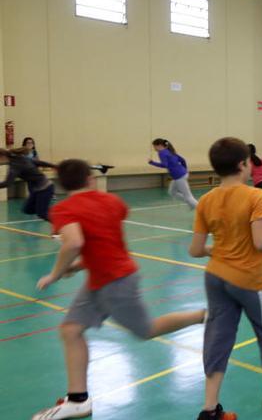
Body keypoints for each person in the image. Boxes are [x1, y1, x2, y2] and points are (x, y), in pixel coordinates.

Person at [31, 159, 206, 420]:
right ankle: (78, 399)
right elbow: (103, 242)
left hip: (115, 282)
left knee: (147, 330)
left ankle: (205, 315)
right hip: (102, 278)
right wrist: (78, 267)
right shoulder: (112, 202)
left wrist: (56, 273)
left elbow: (74, 242)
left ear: (63, 184)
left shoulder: (64, 209)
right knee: (70, 330)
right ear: (90, 179)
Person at [189, 137, 262, 420]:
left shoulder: (206, 200)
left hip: (215, 277)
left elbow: (196, 249)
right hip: (250, 279)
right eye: (249, 162)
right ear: (242, 165)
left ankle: (209, 409)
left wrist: (220, 249)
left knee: (218, 337)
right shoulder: (256, 196)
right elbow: (261, 242)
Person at [0, 148, 57, 221]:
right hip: (36, 189)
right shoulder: (20, 158)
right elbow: (38, 162)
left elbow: (7, 183)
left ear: (2, 157)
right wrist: (54, 166)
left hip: (45, 188)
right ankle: (49, 210)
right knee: (27, 210)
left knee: (42, 214)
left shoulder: (15, 165)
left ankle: (61, 225)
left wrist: (54, 166)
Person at [148, 138, 198, 209]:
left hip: (179, 176)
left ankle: (201, 210)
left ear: (159, 145)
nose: (154, 149)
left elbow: (165, 165)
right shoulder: (169, 151)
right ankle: (190, 203)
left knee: (188, 196)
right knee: (172, 192)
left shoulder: (161, 152)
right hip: (182, 174)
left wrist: (152, 163)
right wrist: (184, 170)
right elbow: (183, 160)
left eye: (154, 146)